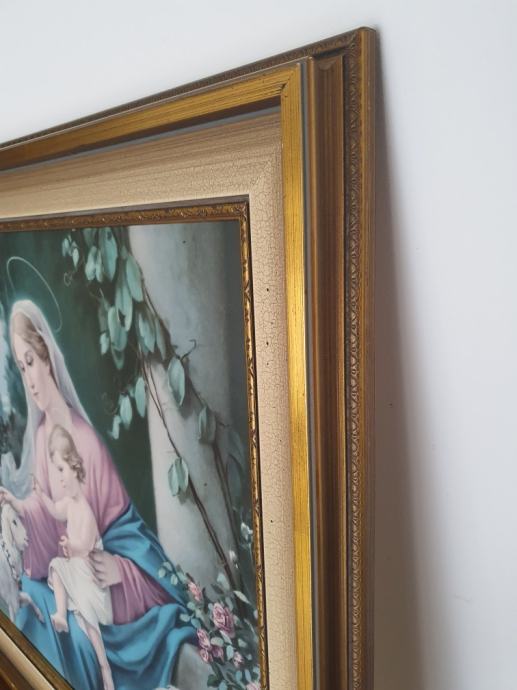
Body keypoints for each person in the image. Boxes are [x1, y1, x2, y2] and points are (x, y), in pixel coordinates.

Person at [0, 300, 194, 690]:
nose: (30, 378)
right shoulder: (42, 435)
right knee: (28, 611)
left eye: (31, 362)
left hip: (100, 584)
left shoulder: (85, 442)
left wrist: (121, 568)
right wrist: (18, 509)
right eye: (21, 367)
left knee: (70, 637)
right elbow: (47, 517)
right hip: (67, 572)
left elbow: (126, 532)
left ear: (48, 357)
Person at [35, 424, 114, 690]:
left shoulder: (86, 512)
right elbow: (56, 512)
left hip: (90, 577)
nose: (59, 478)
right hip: (75, 569)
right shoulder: (69, 504)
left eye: (61, 470)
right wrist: (41, 496)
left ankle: (105, 669)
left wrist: (71, 545)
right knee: (57, 566)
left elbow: (86, 547)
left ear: (74, 466)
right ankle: (60, 614)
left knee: (89, 619)